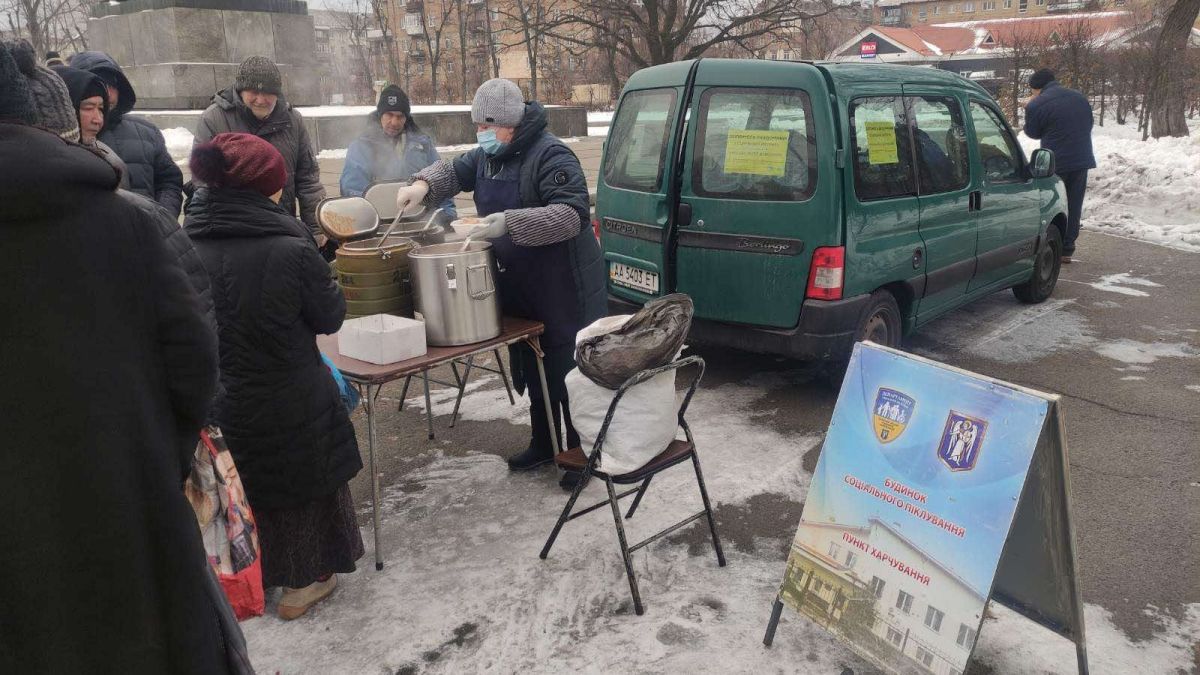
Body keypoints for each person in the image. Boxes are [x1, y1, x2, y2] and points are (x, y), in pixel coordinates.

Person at [0, 40, 237, 672]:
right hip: (132, 522)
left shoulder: (137, 202)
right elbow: (193, 360)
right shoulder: (123, 225)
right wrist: (157, 453)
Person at [184, 132, 363, 620]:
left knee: (246, 485)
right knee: (301, 484)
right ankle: (303, 584)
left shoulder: (184, 242)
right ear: (265, 189)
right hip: (292, 393)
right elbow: (329, 317)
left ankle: (252, 576)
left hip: (223, 395)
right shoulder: (290, 247)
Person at [394, 78, 605, 490]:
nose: (481, 135)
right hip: (522, 282)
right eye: (477, 127)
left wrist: (510, 222)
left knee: (568, 372)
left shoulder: (552, 155)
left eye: (487, 127)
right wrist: (421, 185)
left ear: (511, 122)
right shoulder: (489, 156)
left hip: (564, 284)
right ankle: (544, 442)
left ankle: (582, 454)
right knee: (532, 361)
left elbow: (571, 216)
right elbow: (454, 170)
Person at [195, 56, 328, 254]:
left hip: (283, 228)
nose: (261, 99)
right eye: (254, 92)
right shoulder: (214, 119)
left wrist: (317, 229)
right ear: (240, 90)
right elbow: (203, 182)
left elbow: (307, 179)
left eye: (268, 93)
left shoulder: (293, 120)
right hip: (234, 236)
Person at [68, 50, 185, 215]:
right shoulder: (61, 139)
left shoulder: (147, 132)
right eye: (99, 85)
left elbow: (169, 181)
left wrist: (163, 219)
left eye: (112, 86)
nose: (107, 93)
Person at [339, 84, 456, 221]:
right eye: (389, 115)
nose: (394, 122)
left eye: (400, 116)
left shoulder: (423, 144)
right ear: (380, 115)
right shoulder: (362, 146)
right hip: (379, 223)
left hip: (421, 221)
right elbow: (352, 190)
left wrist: (447, 214)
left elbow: (440, 178)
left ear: (407, 118)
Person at [1024, 68, 1095, 264]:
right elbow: (1089, 123)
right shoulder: (1079, 97)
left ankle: (1051, 245)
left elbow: (1032, 132)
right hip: (1081, 159)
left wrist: (1029, 110)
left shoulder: (1037, 104)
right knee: (1074, 203)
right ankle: (1067, 248)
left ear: (1036, 89)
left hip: (1055, 162)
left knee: (1054, 204)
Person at [51, 64, 129, 187]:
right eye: (88, 108)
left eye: (101, 109)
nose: (98, 120)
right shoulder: (39, 164)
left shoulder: (111, 162)